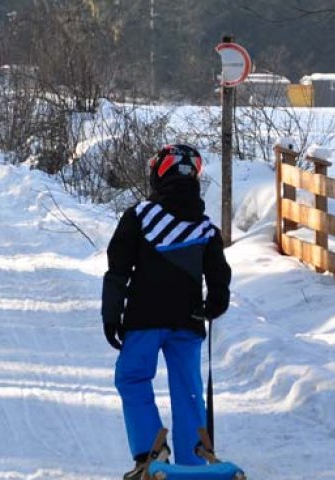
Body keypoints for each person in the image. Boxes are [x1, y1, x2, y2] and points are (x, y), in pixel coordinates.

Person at [102, 144, 232, 478]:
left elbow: (118, 268)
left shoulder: (140, 216)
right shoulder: (206, 229)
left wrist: (111, 314)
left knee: (132, 378)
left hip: (144, 320)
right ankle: (194, 460)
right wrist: (215, 302)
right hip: (188, 323)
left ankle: (150, 452)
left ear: (159, 174)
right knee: (188, 387)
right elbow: (219, 279)